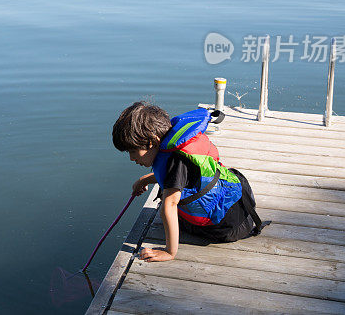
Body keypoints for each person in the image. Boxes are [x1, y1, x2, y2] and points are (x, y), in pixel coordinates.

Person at [112, 101, 265, 262]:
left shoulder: (175, 160)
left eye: (133, 151)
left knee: (166, 206)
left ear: (152, 141)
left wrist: (169, 252)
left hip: (227, 227)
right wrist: (145, 180)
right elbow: (181, 176)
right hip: (239, 209)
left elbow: (169, 204)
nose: (131, 158)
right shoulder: (172, 148)